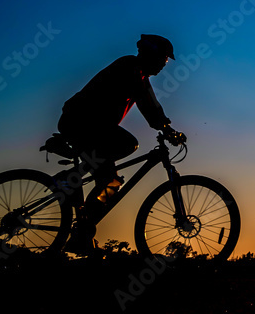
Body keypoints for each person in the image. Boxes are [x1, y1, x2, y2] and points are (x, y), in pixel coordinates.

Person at [57, 34, 185, 253]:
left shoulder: (139, 74)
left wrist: (165, 126)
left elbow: (151, 104)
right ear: (151, 54)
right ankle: (70, 181)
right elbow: (149, 105)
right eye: (163, 59)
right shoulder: (131, 68)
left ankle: (81, 234)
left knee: (111, 183)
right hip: (81, 122)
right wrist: (166, 128)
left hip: (89, 126)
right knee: (126, 143)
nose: (164, 65)